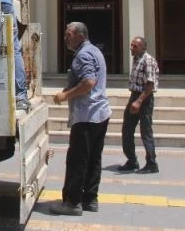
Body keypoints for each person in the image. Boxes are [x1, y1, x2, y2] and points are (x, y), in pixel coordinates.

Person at [51, 22, 111, 216]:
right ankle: (90, 199)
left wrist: (65, 96)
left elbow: (88, 83)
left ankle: (73, 203)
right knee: (93, 158)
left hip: (87, 115)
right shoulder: (95, 51)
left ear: (80, 35)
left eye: (68, 34)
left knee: (77, 160)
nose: (65, 38)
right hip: (100, 113)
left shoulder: (83, 55)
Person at [118, 36, 160, 174]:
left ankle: (151, 163)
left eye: (135, 46)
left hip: (144, 98)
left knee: (145, 131)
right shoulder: (136, 59)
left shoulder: (148, 60)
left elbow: (150, 85)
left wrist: (139, 101)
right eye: (131, 45)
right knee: (127, 129)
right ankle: (131, 160)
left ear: (143, 47)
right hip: (134, 96)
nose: (131, 48)